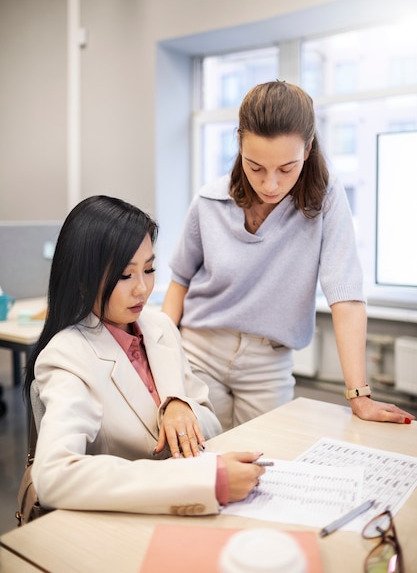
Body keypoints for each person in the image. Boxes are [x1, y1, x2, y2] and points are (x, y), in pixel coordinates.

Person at [162, 80, 415, 431]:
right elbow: (180, 282)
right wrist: (159, 362)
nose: (270, 185)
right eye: (255, 167)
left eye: (286, 169)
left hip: (270, 361)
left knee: (267, 463)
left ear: (308, 148)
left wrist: (359, 394)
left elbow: (345, 294)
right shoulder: (209, 201)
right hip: (199, 351)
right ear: (239, 144)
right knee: (200, 463)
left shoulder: (327, 198)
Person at [23, 195, 265, 515]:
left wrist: (178, 404)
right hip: (119, 522)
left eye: (149, 269)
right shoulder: (67, 356)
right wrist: (205, 481)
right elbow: (55, 476)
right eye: (126, 275)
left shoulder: (160, 327)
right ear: (83, 280)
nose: (143, 289)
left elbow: (211, 425)